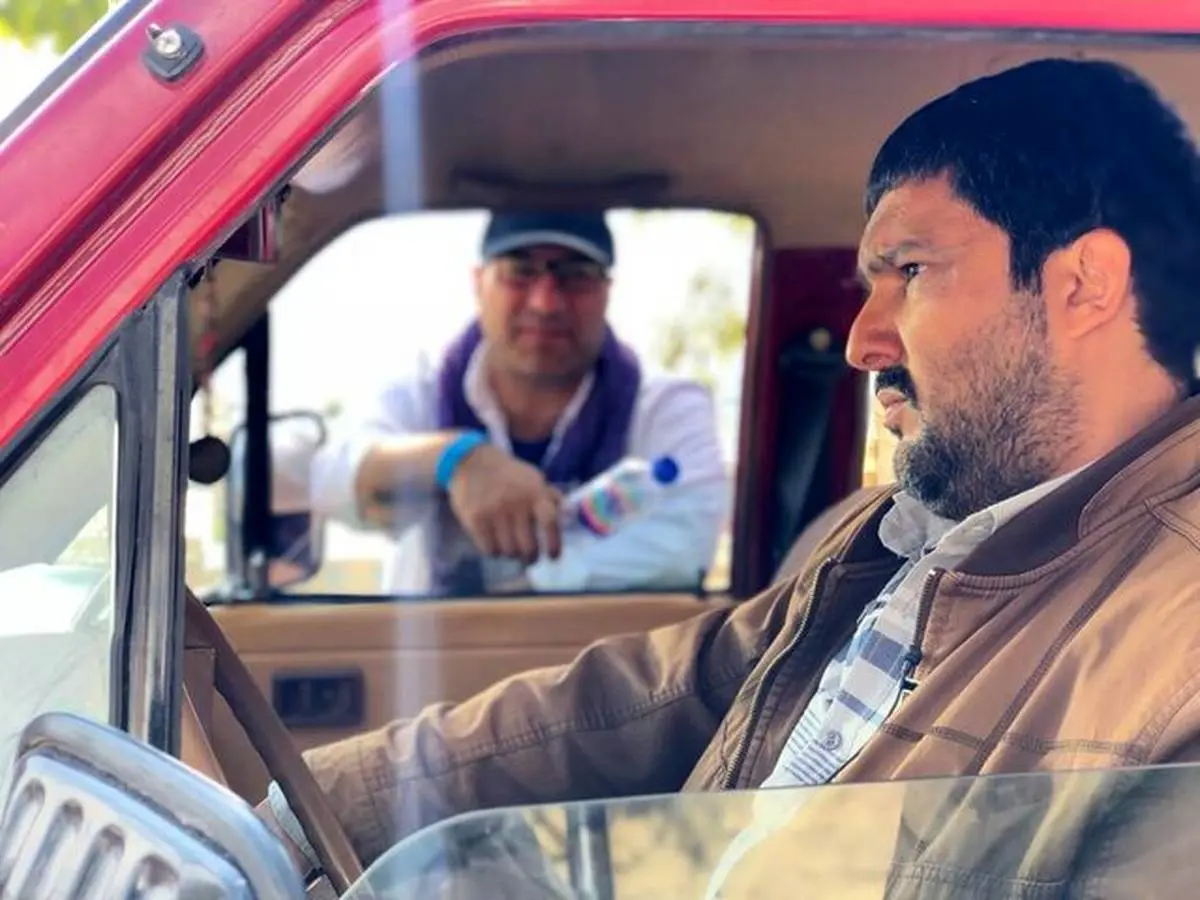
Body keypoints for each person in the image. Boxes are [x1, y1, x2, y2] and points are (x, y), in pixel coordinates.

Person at [260, 57, 1200, 892]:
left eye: (910, 272)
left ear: (1083, 285)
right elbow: (656, 692)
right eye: (868, 286)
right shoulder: (900, 535)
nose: (863, 343)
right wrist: (298, 818)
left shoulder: (1175, 655)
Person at [306, 210, 728, 595]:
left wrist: (523, 583)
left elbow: (686, 545)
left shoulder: (663, 408)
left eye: (576, 276)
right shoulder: (421, 395)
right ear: (478, 284)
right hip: (436, 651)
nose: (545, 303)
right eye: (520, 272)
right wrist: (456, 459)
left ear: (607, 292)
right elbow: (331, 479)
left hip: (607, 655)